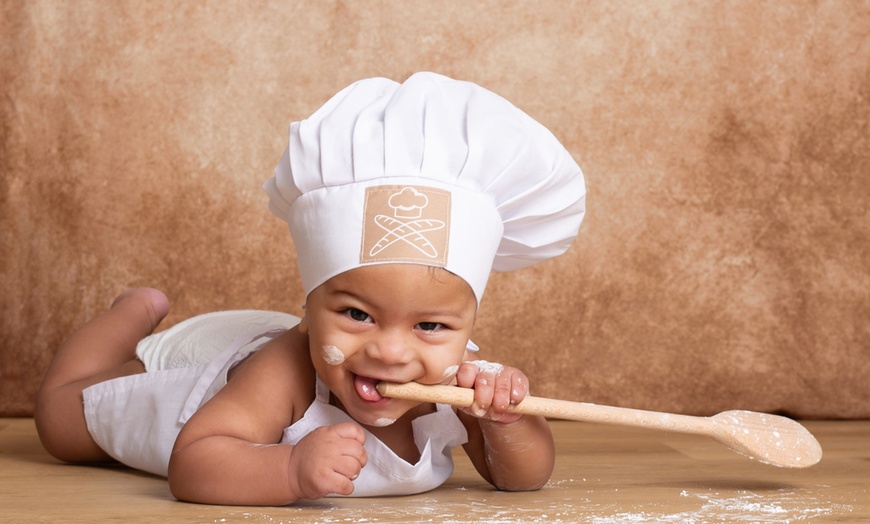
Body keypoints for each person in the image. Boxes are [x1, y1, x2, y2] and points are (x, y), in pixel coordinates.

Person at [34, 72, 587, 505]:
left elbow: (520, 481)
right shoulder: (287, 368)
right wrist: (289, 469)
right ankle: (132, 313)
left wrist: (509, 423)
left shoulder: (459, 376)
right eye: (357, 314)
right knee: (61, 423)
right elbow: (194, 462)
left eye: (430, 325)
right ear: (310, 308)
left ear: (466, 327)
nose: (391, 351)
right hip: (181, 377)